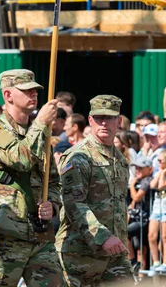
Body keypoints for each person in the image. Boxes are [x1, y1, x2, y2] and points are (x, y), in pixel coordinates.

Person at [0, 69, 63, 287]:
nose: (33, 95)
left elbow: (52, 180)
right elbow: (19, 159)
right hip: (5, 234)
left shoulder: (40, 132)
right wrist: (41, 123)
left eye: (35, 91)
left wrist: (53, 205)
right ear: (8, 95)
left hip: (39, 234)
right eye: (26, 91)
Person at [57, 95, 132, 286]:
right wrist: (103, 237)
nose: (104, 123)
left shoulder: (121, 161)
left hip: (114, 255)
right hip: (79, 254)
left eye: (110, 117)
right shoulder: (79, 156)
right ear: (90, 121)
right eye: (99, 118)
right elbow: (74, 203)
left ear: (119, 121)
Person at [127, 156, 154, 280]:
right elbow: (133, 203)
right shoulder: (140, 180)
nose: (137, 170)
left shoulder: (147, 180)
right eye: (136, 167)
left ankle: (133, 262)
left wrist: (132, 185)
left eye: (140, 168)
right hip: (137, 217)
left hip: (144, 219)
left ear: (149, 169)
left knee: (124, 234)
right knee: (140, 248)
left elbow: (136, 197)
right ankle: (140, 276)